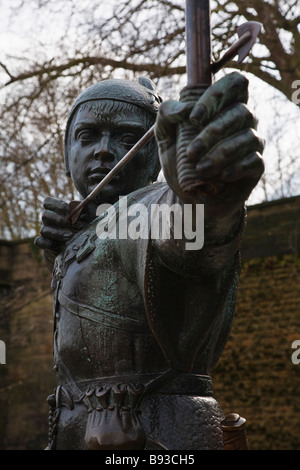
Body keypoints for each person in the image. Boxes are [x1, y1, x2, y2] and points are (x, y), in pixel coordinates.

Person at [35, 72, 264, 450]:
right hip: (75, 431)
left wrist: (207, 195)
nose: (105, 150)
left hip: (155, 436)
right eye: (88, 136)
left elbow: (185, 236)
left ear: (157, 155)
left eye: (127, 138)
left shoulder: (146, 212)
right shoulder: (85, 227)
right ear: (66, 154)